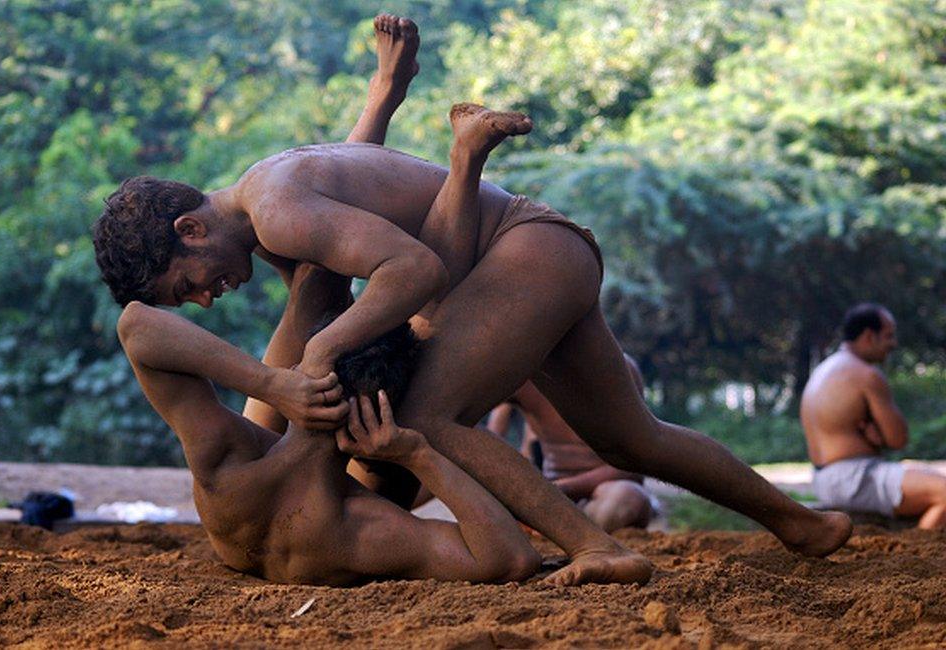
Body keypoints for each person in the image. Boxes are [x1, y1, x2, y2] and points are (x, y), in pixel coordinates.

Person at [92, 14, 852, 585]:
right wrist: (385, 93)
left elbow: (416, 270)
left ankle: (597, 547)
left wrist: (319, 356)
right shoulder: (270, 196)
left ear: (191, 229)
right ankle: (802, 525)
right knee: (629, 438)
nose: (203, 300)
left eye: (186, 284)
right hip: (533, 255)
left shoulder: (278, 214)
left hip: (519, 250)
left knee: (423, 415)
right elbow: (358, 170)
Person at [117, 303, 540, 584]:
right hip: (325, 541)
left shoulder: (224, 458)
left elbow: (136, 324)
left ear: (302, 370)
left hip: (236, 534)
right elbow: (513, 558)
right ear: (385, 411)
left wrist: (272, 384)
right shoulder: (360, 529)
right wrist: (418, 454)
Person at [801, 303, 946, 529]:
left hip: (825, 477)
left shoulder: (824, 370)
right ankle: (914, 555)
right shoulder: (866, 374)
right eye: (889, 336)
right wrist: (880, 437)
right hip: (855, 477)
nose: (894, 344)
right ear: (869, 336)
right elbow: (898, 439)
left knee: (925, 472)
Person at [488, 356, 654, 532]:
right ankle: (559, 528)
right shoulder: (520, 372)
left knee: (627, 498)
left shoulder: (618, 366)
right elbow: (468, 425)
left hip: (604, 491)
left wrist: (556, 489)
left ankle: (567, 531)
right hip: (551, 491)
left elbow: (635, 465)